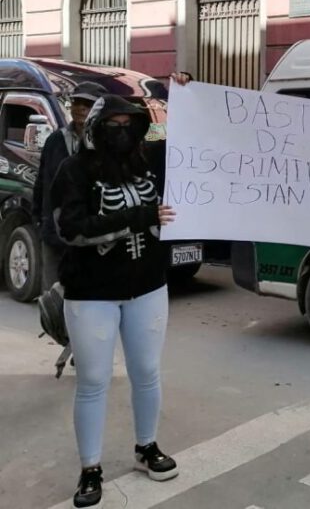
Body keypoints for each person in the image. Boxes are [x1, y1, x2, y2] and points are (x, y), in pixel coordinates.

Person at [52, 76, 191, 509]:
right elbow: (70, 230)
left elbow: (198, 148)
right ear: (95, 127)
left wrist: (183, 96)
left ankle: (146, 446)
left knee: (147, 370)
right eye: (111, 123)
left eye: (128, 123)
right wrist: (136, 217)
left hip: (148, 285)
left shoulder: (148, 160)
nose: (121, 130)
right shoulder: (73, 170)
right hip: (91, 291)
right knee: (93, 381)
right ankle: (90, 467)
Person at [33, 82, 108, 292]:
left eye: (88, 104)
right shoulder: (55, 140)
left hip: (92, 236)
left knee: (85, 301)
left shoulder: (109, 142)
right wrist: (39, 219)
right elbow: (42, 181)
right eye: (76, 102)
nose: (80, 108)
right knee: (52, 299)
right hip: (54, 235)